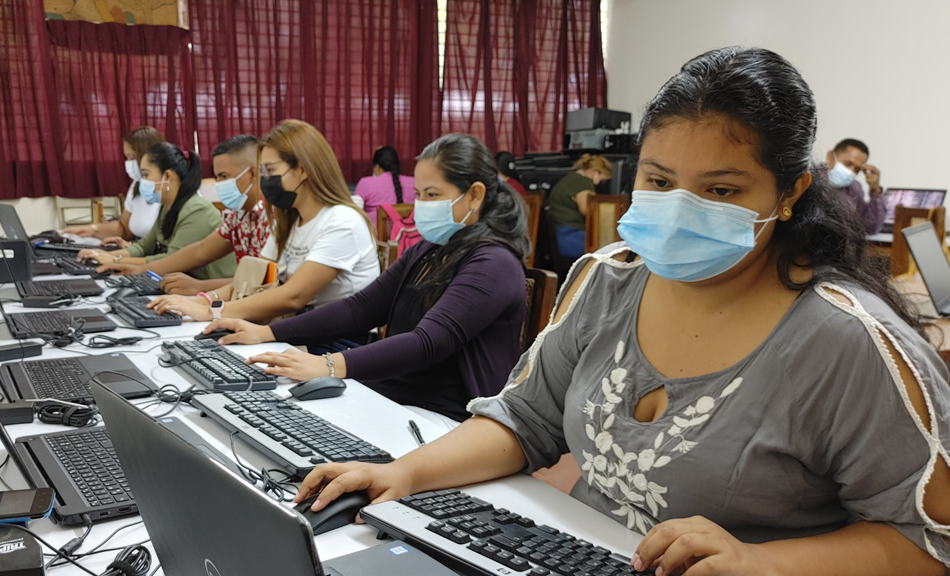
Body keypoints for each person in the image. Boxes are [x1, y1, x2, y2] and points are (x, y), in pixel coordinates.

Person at [292, 47, 950, 576]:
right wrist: (400, 473)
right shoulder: (609, 280)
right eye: (660, 181)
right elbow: (524, 420)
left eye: (720, 189)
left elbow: (928, 541)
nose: (679, 206)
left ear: (790, 190)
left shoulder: (848, 342)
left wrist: (760, 562)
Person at [203, 133, 530, 423]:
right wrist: (266, 331)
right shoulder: (432, 247)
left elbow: (427, 343)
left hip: (450, 417)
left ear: (474, 195)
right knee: (275, 413)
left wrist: (327, 365)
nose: (420, 206)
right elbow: (360, 309)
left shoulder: (494, 262)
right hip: (396, 395)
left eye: (432, 195)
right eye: (418, 194)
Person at [149, 120, 380, 349]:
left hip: (339, 343)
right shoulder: (290, 221)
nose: (265, 180)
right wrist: (200, 301)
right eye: (262, 171)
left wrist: (210, 311)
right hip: (300, 332)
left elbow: (293, 295)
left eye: (270, 171)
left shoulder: (342, 221)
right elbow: (252, 281)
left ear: (302, 169)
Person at [95, 135, 270, 295]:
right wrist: (140, 269)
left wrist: (199, 289)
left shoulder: (272, 218)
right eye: (217, 177)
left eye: (224, 176)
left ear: (253, 173)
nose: (219, 184)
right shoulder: (237, 216)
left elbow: (265, 283)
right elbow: (200, 250)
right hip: (233, 298)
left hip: (253, 309)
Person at [76, 143, 235, 281]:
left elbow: (171, 260)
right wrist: (103, 255)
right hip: (181, 281)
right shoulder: (167, 206)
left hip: (208, 287)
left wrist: (115, 259)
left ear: (167, 176)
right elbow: (144, 246)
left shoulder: (197, 210)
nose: (142, 181)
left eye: (146, 174)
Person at [63, 126, 165, 242]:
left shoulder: (172, 188)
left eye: (132, 157)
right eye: (127, 157)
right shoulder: (137, 185)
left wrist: (123, 255)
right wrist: (93, 229)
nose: (129, 163)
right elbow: (124, 229)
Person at [548, 154, 612, 257]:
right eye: (601, 179)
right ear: (595, 172)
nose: (599, 183)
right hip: (568, 237)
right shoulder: (582, 183)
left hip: (559, 235)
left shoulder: (573, 178)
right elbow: (588, 211)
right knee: (609, 248)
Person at [825, 138, 885, 234]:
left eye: (857, 169)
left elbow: (871, 228)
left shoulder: (854, 188)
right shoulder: (809, 181)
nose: (851, 171)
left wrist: (875, 190)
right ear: (831, 157)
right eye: (848, 164)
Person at [354, 146, 416, 224]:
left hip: (375, 235)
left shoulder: (365, 183)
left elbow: (354, 212)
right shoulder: (414, 182)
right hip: (410, 234)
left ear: (377, 167)